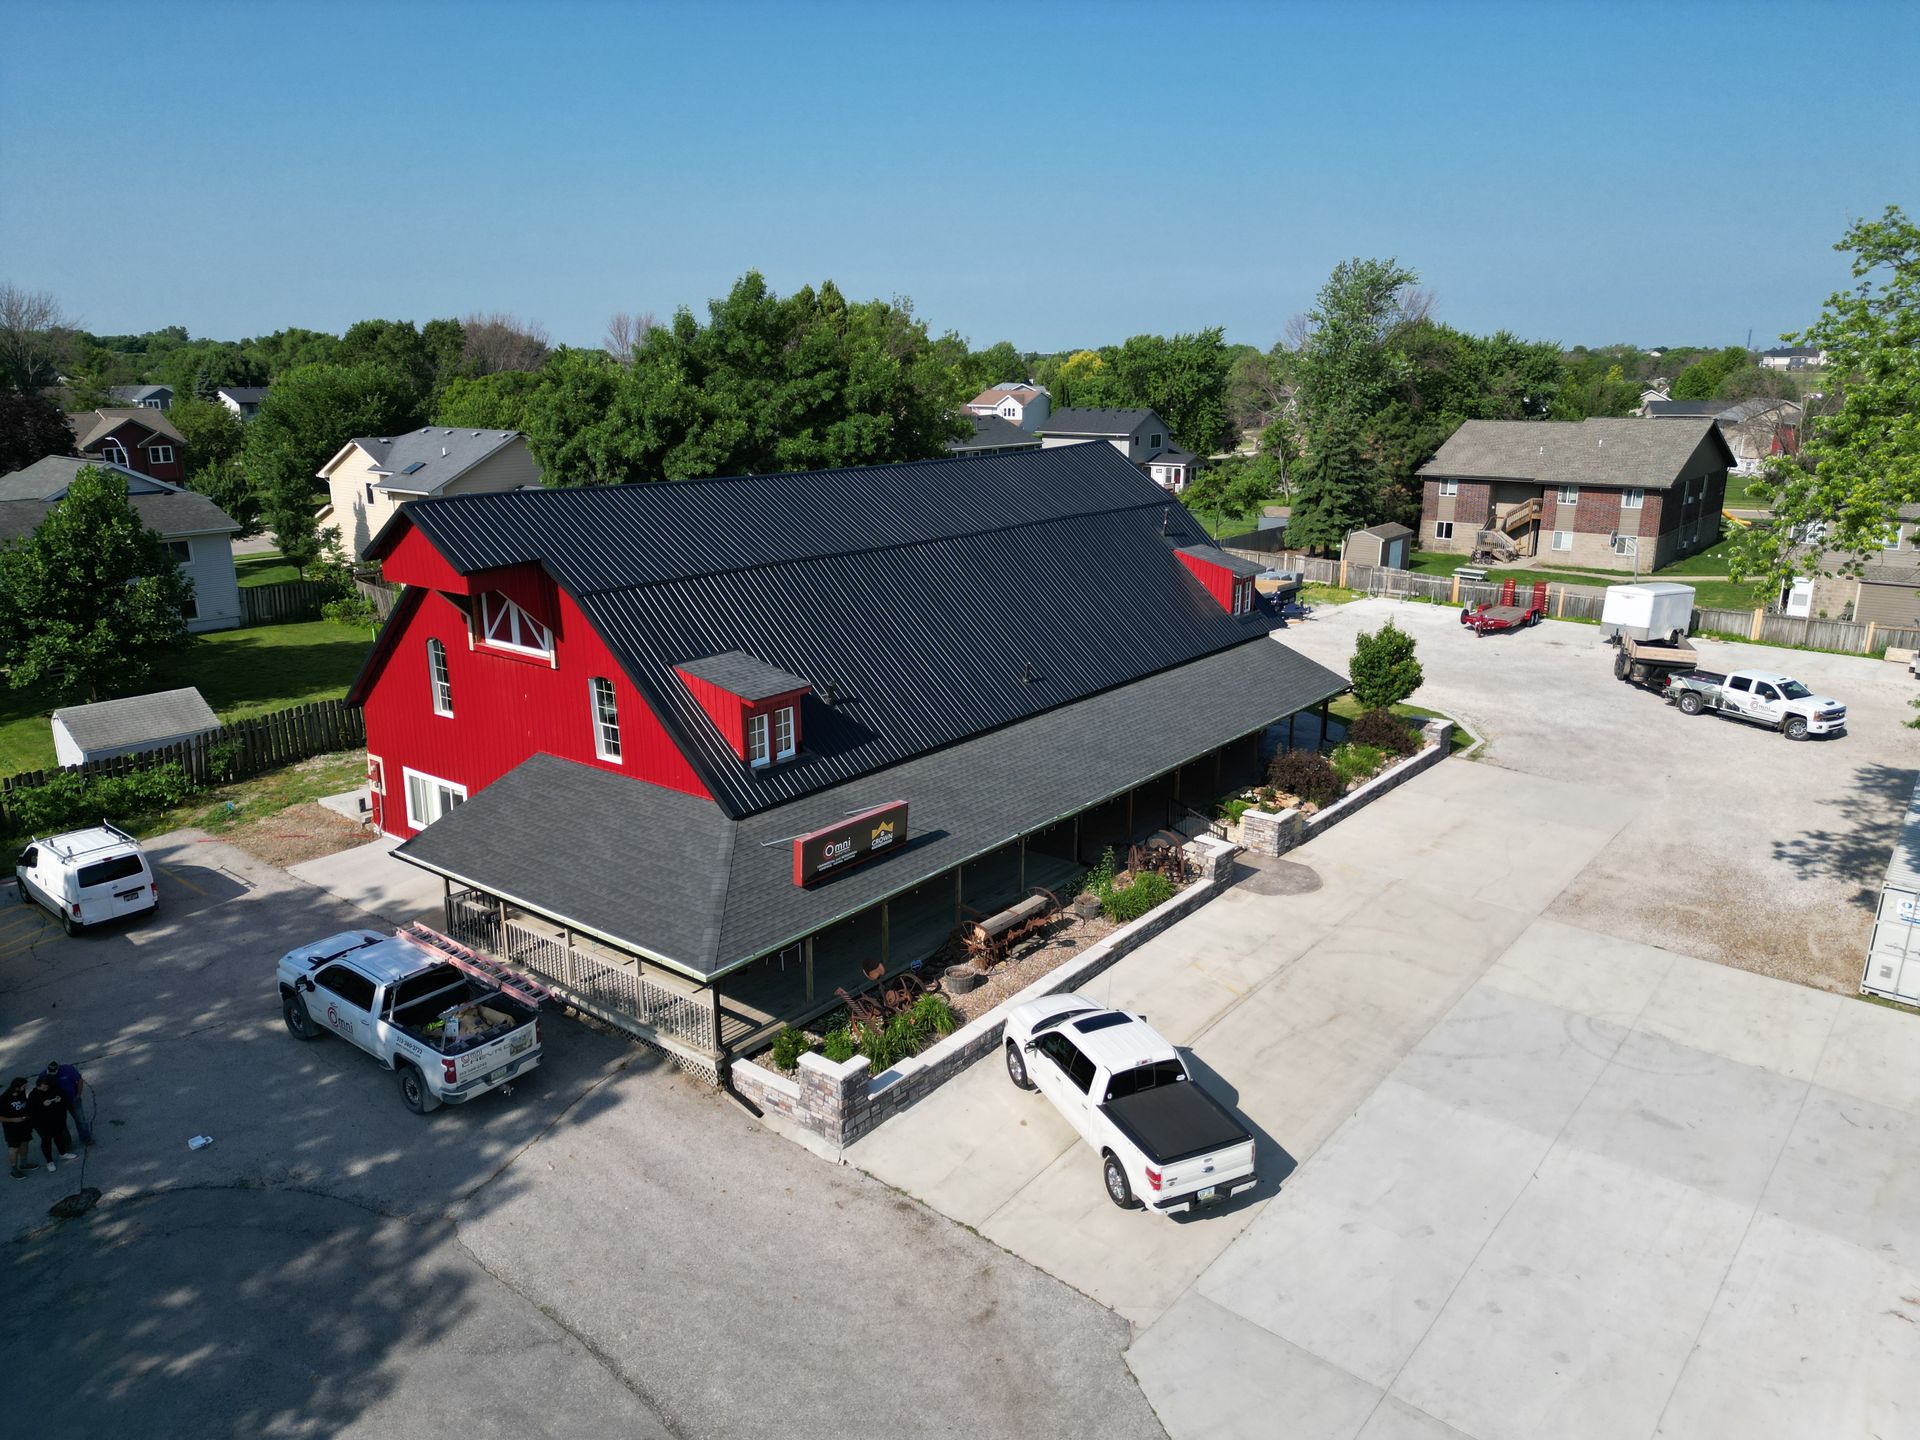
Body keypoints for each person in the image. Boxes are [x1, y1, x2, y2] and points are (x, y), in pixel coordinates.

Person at [26, 1072, 77, 1172]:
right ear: (38, 1086)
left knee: (59, 1136)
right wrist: (42, 1105)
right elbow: (30, 1111)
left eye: (47, 1086)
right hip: (42, 1124)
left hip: (57, 1120)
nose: (46, 1089)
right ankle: (49, 1161)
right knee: (46, 1141)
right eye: (44, 1087)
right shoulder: (33, 1095)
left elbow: (63, 1096)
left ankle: (63, 1153)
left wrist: (60, 1099)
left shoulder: (54, 1088)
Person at [43, 1060, 90, 1146]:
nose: (52, 1074)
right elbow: (41, 1088)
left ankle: (86, 1138)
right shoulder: (43, 1075)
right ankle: (66, 1143)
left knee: (80, 1120)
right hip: (57, 1103)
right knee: (61, 1123)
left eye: (54, 1072)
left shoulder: (68, 1069)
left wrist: (78, 1095)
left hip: (72, 1099)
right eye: (50, 1072)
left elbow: (79, 1080)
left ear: (58, 1068)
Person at [4, 1078, 36, 1179]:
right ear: (17, 1087)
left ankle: (24, 1163)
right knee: (14, 1148)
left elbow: (25, 1106)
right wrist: (14, 1120)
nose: (25, 1088)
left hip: (25, 1125)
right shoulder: (4, 1098)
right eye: (23, 1086)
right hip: (12, 1129)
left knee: (25, 1143)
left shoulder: (21, 1094)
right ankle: (14, 1171)